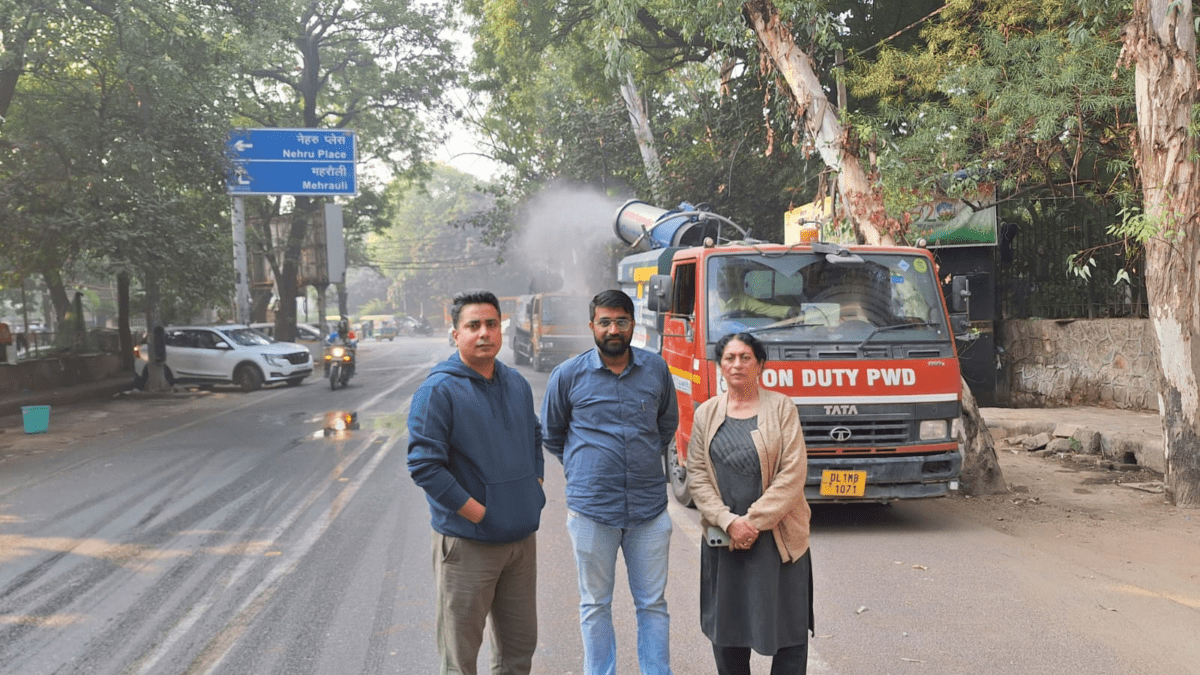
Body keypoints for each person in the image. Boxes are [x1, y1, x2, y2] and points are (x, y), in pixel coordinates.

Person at [407, 289, 546, 675]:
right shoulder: (438, 391)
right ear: (455, 335)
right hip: (468, 545)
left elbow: (535, 436)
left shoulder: (515, 383)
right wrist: (480, 513)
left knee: (519, 652)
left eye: (491, 324)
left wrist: (533, 489)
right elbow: (424, 466)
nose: (484, 332)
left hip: (520, 542)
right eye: (473, 326)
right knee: (461, 658)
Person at [541, 289, 680, 675]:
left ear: (633, 324)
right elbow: (552, 435)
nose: (613, 329)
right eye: (605, 322)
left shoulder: (656, 370)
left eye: (621, 321)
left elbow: (666, 425)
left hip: (648, 512)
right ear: (592, 326)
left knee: (653, 603)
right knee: (595, 604)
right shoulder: (567, 375)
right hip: (591, 511)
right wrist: (585, 470)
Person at [686, 332, 813, 675]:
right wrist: (728, 522)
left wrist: (753, 522)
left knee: (787, 628)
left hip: (776, 537)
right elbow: (696, 473)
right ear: (720, 366)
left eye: (745, 357)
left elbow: (792, 473)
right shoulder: (707, 413)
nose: (737, 364)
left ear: (760, 365)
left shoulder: (782, 407)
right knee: (727, 630)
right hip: (725, 538)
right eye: (730, 358)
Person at [715, 263, 800, 321]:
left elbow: (767, 309)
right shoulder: (707, 300)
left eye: (728, 280)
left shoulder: (742, 299)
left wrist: (789, 310)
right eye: (721, 282)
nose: (724, 284)